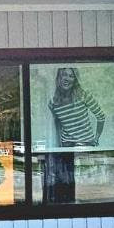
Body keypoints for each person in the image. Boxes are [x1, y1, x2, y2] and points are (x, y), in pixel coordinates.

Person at [44, 67, 105, 203]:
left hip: (85, 144)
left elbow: (101, 116)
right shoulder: (53, 102)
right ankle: (66, 204)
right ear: (58, 78)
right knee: (66, 178)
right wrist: (60, 142)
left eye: (71, 76)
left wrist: (96, 138)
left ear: (75, 80)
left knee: (84, 179)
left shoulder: (83, 95)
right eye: (64, 75)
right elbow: (57, 123)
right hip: (66, 145)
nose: (67, 78)